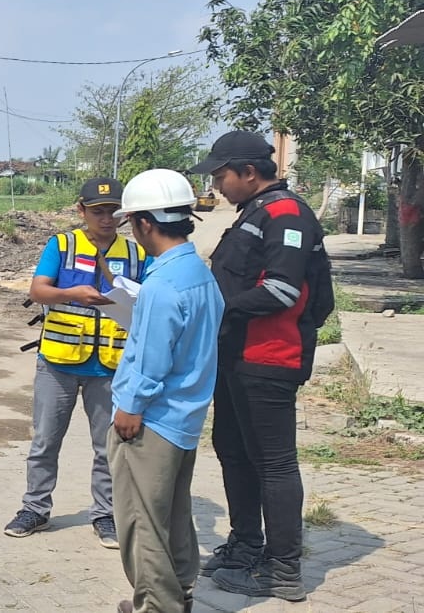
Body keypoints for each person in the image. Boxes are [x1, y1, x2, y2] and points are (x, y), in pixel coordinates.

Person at [187, 130, 333, 601]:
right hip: (237, 356)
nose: (217, 185)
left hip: (270, 358)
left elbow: (283, 291)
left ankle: (283, 569)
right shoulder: (255, 211)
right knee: (232, 449)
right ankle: (246, 543)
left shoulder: (287, 213)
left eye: (221, 175)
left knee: (273, 463)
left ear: (249, 172)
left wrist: (212, 308)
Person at [6, 177, 153, 549]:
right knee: (45, 441)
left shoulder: (136, 254)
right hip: (58, 361)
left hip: (110, 365)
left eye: (113, 212)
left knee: (107, 446)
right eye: (98, 211)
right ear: (81, 210)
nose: (106, 219)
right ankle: (35, 509)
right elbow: (37, 290)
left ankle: (104, 514)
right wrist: (70, 293)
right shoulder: (62, 244)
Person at [105, 168, 224, 613]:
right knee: (172, 514)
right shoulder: (198, 273)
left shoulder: (161, 284)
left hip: (152, 418)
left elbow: (152, 358)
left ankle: (158, 605)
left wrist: (130, 407)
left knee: (142, 520)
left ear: (144, 223)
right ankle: (180, 591)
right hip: (185, 414)